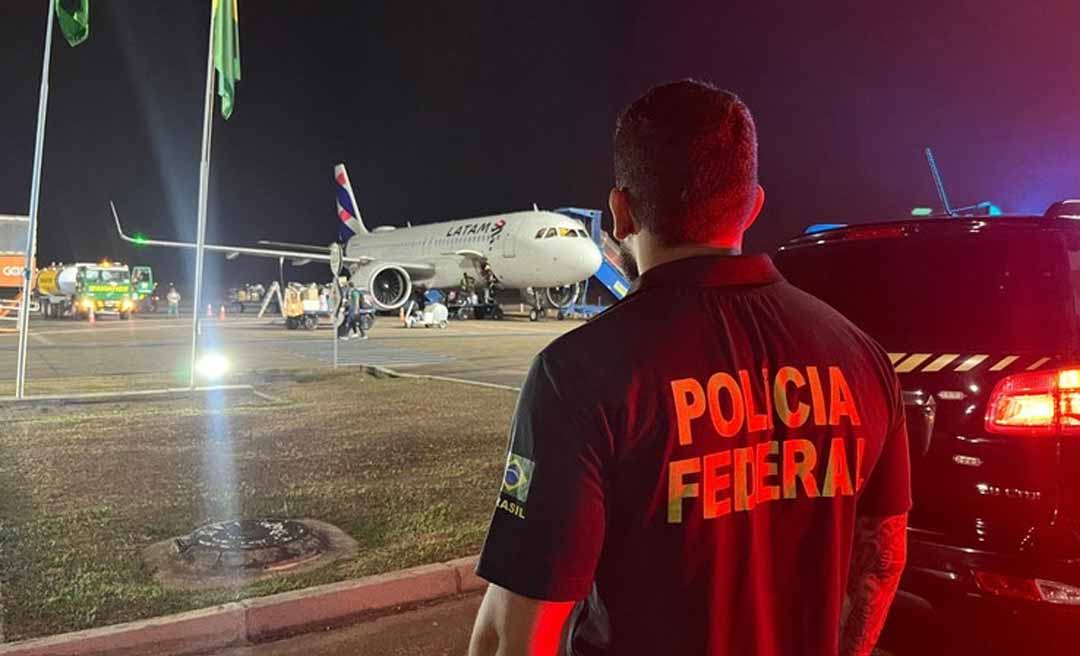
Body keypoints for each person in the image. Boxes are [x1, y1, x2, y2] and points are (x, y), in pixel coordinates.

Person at [468, 80, 910, 656]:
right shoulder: (861, 357)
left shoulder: (577, 375)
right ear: (752, 205)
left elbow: (515, 635)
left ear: (621, 213)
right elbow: (881, 561)